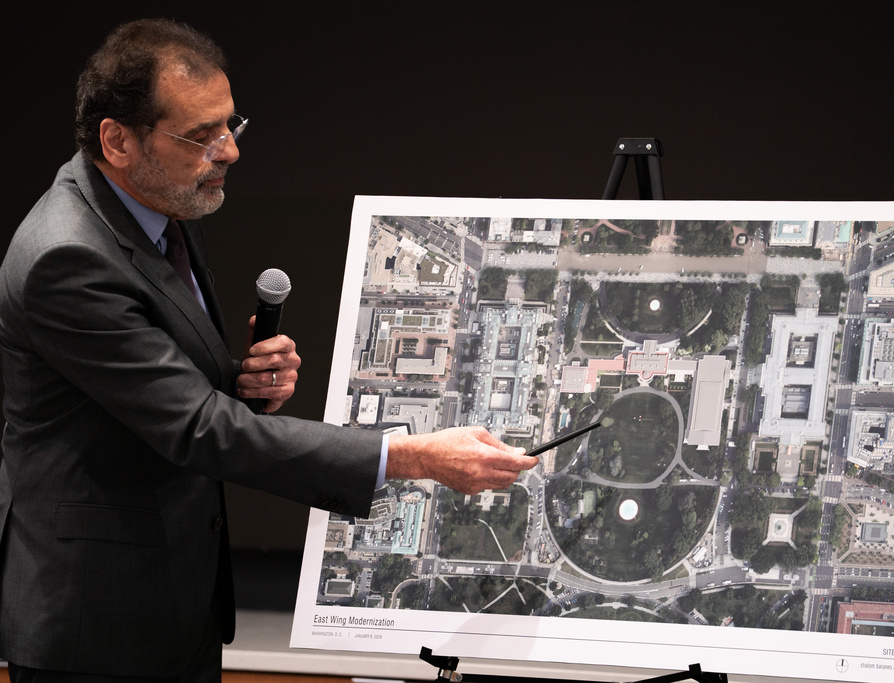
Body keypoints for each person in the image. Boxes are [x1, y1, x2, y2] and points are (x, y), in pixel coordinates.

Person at [0, 18, 538, 681]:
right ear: (116, 140)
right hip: (96, 627)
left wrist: (237, 381)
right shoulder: (67, 258)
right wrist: (408, 454)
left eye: (231, 125)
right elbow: (198, 429)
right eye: (201, 136)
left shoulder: (158, 204)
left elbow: (152, 389)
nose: (228, 151)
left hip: (170, 604)